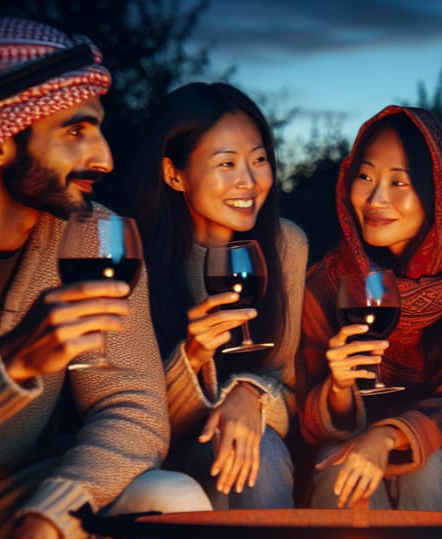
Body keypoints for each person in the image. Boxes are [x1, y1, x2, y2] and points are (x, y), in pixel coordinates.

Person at [0, 17, 211, 539]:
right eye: (76, 130)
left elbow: (131, 409)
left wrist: (47, 519)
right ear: (2, 137)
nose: (102, 155)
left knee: (170, 500)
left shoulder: (95, 239)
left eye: (98, 126)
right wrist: (8, 365)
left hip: (8, 503)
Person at [123, 82, 308, 510]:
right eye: (226, 163)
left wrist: (251, 393)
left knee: (257, 447)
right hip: (156, 462)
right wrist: (190, 356)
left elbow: (288, 385)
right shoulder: (136, 256)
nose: (248, 181)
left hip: (255, 453)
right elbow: (127, 416)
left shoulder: (285, 246)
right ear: (174, 174)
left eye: (259, 160)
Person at [298, 106, 442, 511]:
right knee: (336, 461)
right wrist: (339, 387)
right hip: (350, 448)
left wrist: (390, 435)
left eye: (399, 182)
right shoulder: (325, 284)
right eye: (365, 177)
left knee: (434, 467)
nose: (376, 198)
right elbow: (306, 419)